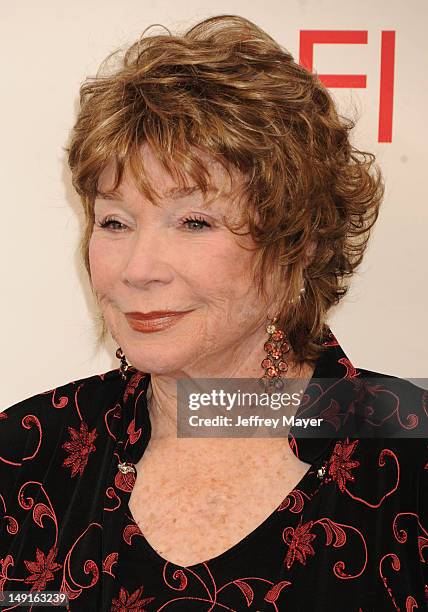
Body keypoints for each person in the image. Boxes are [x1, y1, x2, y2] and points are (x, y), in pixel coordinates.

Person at [1, 14, 427, 612]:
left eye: (194, 222)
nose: (138, 268)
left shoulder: (407, 452)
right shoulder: (26, 454)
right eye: (115, 222)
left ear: (293, 246)